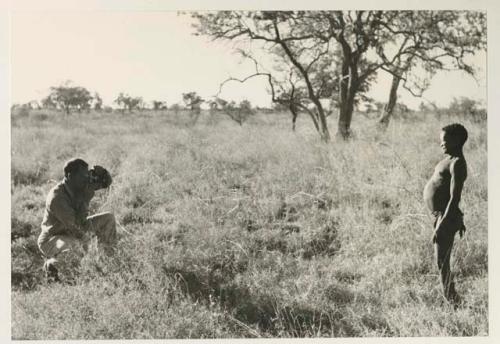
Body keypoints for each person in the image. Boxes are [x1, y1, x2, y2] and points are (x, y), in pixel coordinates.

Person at [38, 158, 117, 282]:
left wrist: (104, 174)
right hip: (53, 238)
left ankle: (106, 264)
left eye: (88, 174)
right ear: (70, 176)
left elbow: (106, 183)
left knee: (108, 218)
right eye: (83, 176)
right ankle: (52, 265)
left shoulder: (79, 185)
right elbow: (77, 229)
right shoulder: (57, 198)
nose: (87, 178)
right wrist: (85, 198)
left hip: (73, 230)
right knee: (76, 246)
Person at [423, 123, 468, 304]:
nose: (441, 142)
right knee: (441, 261)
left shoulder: (457, 163)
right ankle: (451, 297)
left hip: (445, 217)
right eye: (441, 139)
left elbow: (454, 197)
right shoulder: (448, 159)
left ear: (457, 140)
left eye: (446, 139)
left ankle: (452, 300)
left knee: (442, 262)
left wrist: (442, 225)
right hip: (442, 215)